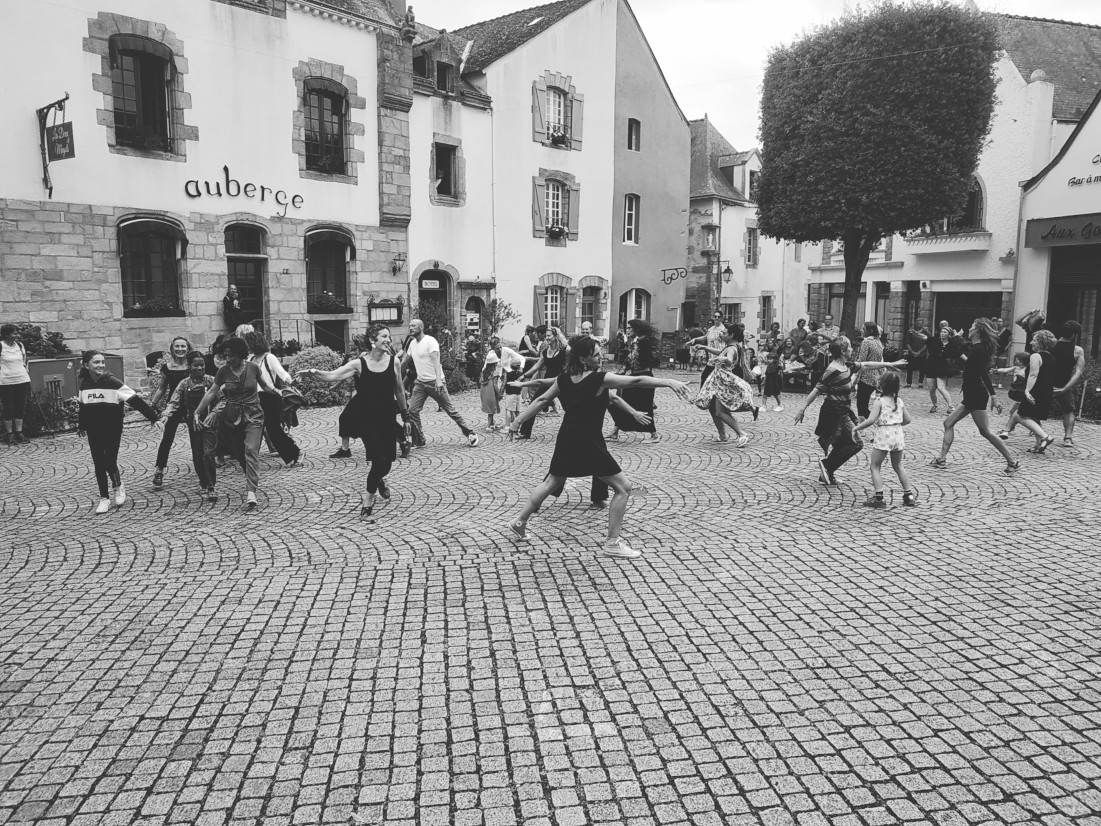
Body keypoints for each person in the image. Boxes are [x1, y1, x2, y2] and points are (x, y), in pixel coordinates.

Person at [505, 335, 691, 559]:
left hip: (567, 437)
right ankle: (613, 542)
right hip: (588, 440)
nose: (600, 357)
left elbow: (541, 400)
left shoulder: (564, 378)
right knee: (623, 487)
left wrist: (516, 422)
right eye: (595, 354)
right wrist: (669, 382)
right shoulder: (599, 379)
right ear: (583, 358)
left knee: (551, 481)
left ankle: (519, 521)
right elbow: (636, 381)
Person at [300, 324, 409, 517]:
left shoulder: (394, 362)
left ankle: (379, 480)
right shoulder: (359, 364)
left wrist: (406, 416)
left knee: (387, 464)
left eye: (389, 337)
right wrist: (313, 372)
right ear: (372, 340)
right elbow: (334, 375)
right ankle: (368, 498)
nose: (388, 340)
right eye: (384, 336)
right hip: (366, 419)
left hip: (387, 418)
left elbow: (399, 390)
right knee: (379, 459)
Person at [794, 337, 905, 486]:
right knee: (856, 443)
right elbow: (816, 390)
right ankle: (827, 465)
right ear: (842, 351)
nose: (853, 349)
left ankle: (827, 473)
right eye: (850, 347)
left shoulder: (847, 366)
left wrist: (889, 364)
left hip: (844, 411)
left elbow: (866, 365)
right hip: (834, 412)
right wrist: (802, 409)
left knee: (844, 442)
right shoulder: (832, 370)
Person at [194, 337, 277, 510]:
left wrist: (280, 392)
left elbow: (266, 387)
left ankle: (251, 492)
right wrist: (198, 411)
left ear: (241, 354)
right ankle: (250, 476)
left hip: (254, 415)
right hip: (232, 418)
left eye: (231, 355)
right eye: (225, 356)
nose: (228, 359)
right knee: (240, 454)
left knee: (251, 449)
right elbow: (212, 392)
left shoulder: (253, 368)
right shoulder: (224, 371)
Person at [928, 319, 1019, 475]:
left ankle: (1012, 461)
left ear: (977, 331)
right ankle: (941, 459)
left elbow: (984, 374)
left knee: (985, 431)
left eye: (972, 327)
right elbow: (964, 347)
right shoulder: (976, 347)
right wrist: (957, 338)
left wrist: (994, 396)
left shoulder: (979, 350)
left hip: (976, 394)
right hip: (971, 393)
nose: (969, 329)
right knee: (948, 423)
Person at [78, 350, 160, 514]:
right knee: (99, 465)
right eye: (96, 362)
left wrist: (154, 418)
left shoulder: (112, 382)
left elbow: (135, 400)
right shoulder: (85, 384)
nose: (101, 365)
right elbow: (83, 407)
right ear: (87, 365)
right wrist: (81, 425)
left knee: (109, 461)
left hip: (113, 428)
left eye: (102, 362)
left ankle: (118, 486)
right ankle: (104, 498)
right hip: (94, 429)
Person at [405, 318, 479, 448]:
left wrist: (439, 381)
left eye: (413, 326)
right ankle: (419, 440)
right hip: (421, 383)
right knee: (412, 410)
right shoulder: (412, 344)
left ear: (421, 327)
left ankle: (470, 433)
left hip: (435, 381)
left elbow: (436, 362)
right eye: (410, 325)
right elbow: (404, 361)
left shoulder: (430, 341)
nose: (410, 328)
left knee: (450, 410)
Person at [853, 371, 915, 507]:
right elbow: (907, 420)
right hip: (898, 435)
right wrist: (896, 425)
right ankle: (908, 495)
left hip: (884, 435)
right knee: (898, 466)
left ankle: (879, 497)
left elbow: (870, 420)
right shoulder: (899, 401)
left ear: (882, 385)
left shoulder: (879, 402)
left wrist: (856, 428)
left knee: (875, 466)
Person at [162, 351, 217, 500]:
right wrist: (166, 414)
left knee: (208, 454)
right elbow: (174, 401)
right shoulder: (184, 383)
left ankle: (212, 486)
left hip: (210, 422)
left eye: (202, 365)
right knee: (197, 455)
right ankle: (203, 482)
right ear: (189, 366)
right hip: (194, 423)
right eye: (196, 365)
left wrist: (215, 413)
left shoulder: (211, 381)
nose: (200, 368)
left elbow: (223, 399)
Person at [692, 324, 759, 446]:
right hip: (721, 383)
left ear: (731, 335)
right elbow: (721, 352)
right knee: (719, 411)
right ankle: (733, 434)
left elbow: (728, 358)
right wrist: (705, 347)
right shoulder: (731, 346)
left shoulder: (732, 349)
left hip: (723, 385)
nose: (722, 335)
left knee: (719, 412)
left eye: (724, 333)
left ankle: (742, 434)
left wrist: (722, 360)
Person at [245, 331, 303, 468]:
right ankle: (249, 459)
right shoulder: (250, 359)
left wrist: (292, 382)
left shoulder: (268, 357)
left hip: (269, 397)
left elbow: (282, 373)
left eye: (247, 343)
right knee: (254, 428)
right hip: (254, 398)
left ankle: (295, 453)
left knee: (273, 429)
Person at [148, 336, 194, 487]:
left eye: (183, 346)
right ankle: (159, 471)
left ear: (188, 348)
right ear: (172, 349)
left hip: (191, 404)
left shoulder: (193, 365)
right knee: (167, 439)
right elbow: (162, 388)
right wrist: (152, 404)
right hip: (173, 405)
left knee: (196, 437)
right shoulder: (167, 367)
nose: (180, 349)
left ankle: (203, 470)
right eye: (177, 346)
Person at [607, 319, 660, 442]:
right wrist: (623, 371)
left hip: (644, 376)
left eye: (630, 328)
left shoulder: (642, 342)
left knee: (645, 405)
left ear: (636, 329)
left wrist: (630, 363)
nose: (628, 330)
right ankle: (615, 432)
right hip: (634, 377)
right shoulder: (634, 343)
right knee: (623, 404)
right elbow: (629, 361)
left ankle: (654, 435)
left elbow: (646, 360)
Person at [517, 326, 569, 438]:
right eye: (546, 336)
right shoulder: (545, 352)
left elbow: (569, 365)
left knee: (570, 407)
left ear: (556, 336)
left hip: (561, 382)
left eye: (549, 335)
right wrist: (524, 375)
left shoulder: (565, 351)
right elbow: (537, 366)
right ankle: (525, 432)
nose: (547, 338)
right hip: (547, 382)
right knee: (533, 404)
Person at [1015, 328, 1057, 454]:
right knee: (1034, 418)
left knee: (1020, 416)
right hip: (1046, 391)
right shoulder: (1051, 357)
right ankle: (1039, 445)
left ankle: (1045, 437)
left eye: (1034, 340)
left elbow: (1033, 375)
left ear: (1040, 342)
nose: (1031, 343)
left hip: (1036, 391)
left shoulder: (1035, 356)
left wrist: (1027, 391)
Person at [1050, 320, 1086, 447]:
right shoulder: (1077, 350)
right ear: (1074, 335)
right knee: (1069, 411)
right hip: (1063, 383)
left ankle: (1009, 429)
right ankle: (1067, 438)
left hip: (1046, 382)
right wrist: (1065, 388)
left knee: (1031, 408)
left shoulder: (1050, 345)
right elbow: (1078, 372)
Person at [0, 323, 31, 445]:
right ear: (6, 334)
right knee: (8, 408)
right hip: (5, 381)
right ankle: (9, 434)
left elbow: (24, 360)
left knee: (20, 407)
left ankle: (19, 432)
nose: (17, 335)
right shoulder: (1, 346)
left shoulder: (19, 345)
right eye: (14, 333)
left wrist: (26, 371)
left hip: (21, 380)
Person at [994, 352, 1030, 441]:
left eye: (1017, 359)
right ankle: (1011, 427)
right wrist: (997, 370)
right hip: (1016, 393)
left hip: (1022, 394)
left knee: (1015, 412)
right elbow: (1006, 370)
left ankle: (1008, 429)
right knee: (1016, 412)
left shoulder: (1027, 370)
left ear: (1022, 361)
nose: (1015, 360)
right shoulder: (1016, 368)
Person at [924, 326, 959, 414]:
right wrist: (917, 333)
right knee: (931, 389)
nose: (942, 333)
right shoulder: (934, 341)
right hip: (931, 366)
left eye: (945, 332)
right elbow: (925, 338)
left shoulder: (951, 344)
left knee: (941, 387)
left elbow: (958, 352)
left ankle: (950, 406)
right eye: (941, 332)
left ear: (949, 334)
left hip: (942, 367)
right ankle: (935, 405)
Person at [854, 321, 885, 419]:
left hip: (866, 376)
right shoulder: (878, 342)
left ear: (870, 330)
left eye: (863, 329)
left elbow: (861, 361)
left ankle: (867, 424)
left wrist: (854, 374)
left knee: (861, 405)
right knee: (864, 403)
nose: (861, 331)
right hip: (875, 376)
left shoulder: (866, 342)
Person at [480, 350, 502, 431]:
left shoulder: (484, 372)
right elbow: (495, 385)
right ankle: (488, 426)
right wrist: (499, 394)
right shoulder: (494, 373)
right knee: (491, 410)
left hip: (484, 393)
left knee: (489, 409)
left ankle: (492, 423)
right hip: (491, 393)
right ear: (494, 363)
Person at [904, 320, 929, 389]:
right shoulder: (910, 332)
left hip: (922, 354)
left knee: (922, 368)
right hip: (911, 353)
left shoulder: (926, 332)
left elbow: (928, 343)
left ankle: (920, 382)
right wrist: (912, 352)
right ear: (915, 324)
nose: (919, 325)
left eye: (920, 324)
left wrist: (919, 352)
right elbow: (907, 342)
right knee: (909, 368)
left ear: (923, 324)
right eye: (917, 324)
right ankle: (909, 383)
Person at [762, 348, 783, 412]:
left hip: (775, 382)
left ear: (775, 359)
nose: (769, 360)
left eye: (770, 359)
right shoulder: (768, 366)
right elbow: (766, 375)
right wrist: (763, 381)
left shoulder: (778, 367)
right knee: (765, 394)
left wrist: (780, 384)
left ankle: (780, 405)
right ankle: (763, 405)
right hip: (768, 382)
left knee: (776, 394)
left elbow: (780, 376)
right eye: (768, 359)